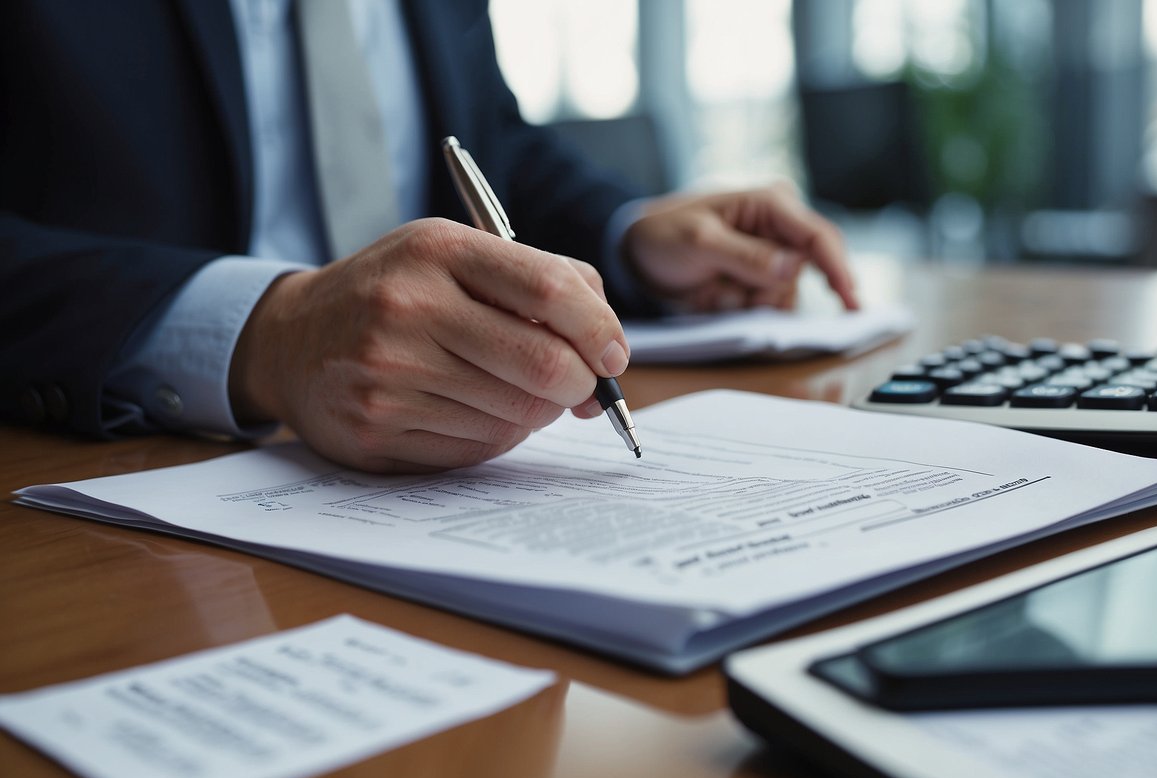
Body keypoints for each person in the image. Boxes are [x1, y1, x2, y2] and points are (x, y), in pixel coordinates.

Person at [0, 0, 857, 473]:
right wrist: (267, 333)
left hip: (439, 469)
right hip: (121, 475)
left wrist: (627, 234)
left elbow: (490, 143)